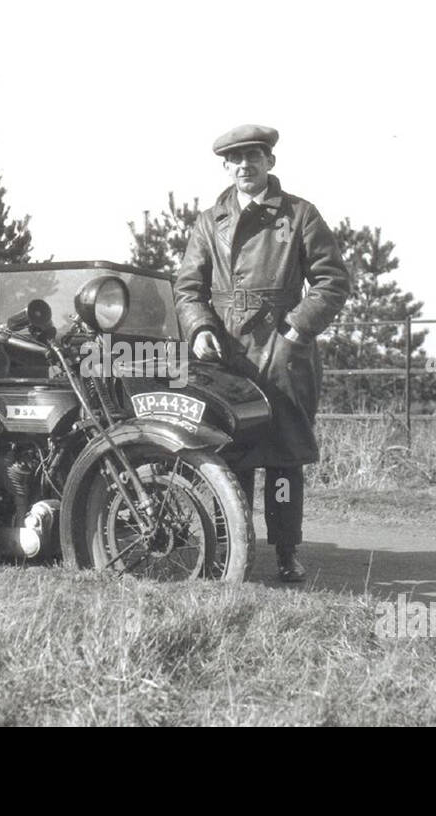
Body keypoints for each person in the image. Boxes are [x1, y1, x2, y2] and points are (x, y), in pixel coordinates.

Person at [174, 125, 351, 582]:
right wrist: (198, 329)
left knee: (283, 458)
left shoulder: (300, 215)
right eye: (235, 159)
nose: (244, 166)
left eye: (253, 156)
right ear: (226, 167)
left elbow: (333, 282)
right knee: (227, 452)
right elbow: (188, 289)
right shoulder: (210, 221)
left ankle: (288, 552)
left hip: (283, 351)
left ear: (269, 162)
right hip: (225, 355)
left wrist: (296, 329)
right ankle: (227, 546)